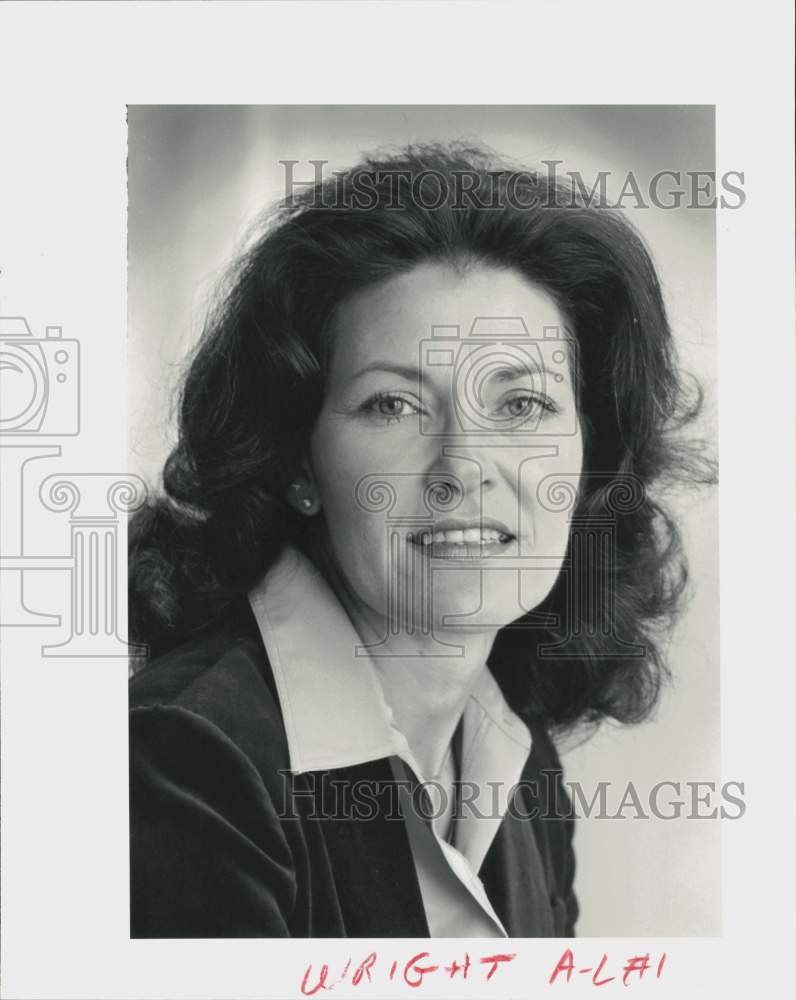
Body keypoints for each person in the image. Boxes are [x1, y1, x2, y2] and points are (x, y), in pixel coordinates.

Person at [127, 141, 714, 938]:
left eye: (521, 406)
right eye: (393, 406)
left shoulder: (519, 764)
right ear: (297, 460)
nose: (464, 468)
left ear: (590, 458)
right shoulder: (184, 760)